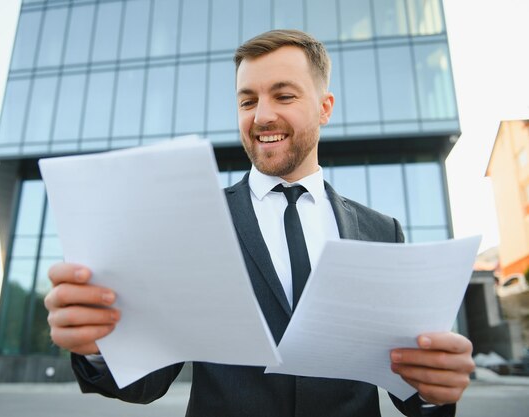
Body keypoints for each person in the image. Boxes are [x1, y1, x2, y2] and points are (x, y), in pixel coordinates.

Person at [44, 29, 474, 417]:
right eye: (248, 100)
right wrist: (99, 348)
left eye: (283, 96)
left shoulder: (383, 232)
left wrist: (436, 389)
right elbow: (147, 381)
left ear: (325, 108)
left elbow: (411, 390)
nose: (261, 116)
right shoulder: (193, 223)